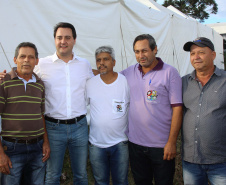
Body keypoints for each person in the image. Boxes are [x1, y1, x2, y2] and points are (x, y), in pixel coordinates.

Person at [0, 22, 93, 185]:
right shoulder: (41, 64)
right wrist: (3, 75)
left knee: (81, 174)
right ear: (54, 40)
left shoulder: (84, 65)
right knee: (52, 175)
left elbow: (95, 79)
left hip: (79, 127)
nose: (63, 41)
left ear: (74, 40)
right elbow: (22, 70)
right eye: (59, 38)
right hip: (53, 128)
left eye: (67, 38)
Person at [121, 34, 183, 185]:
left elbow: (177, 109)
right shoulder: (129, 72)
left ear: (155, 49)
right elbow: (108, 76)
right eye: (136, 52)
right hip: (135, 144)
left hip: (161, 146)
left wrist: (171, 142)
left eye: (144, 51)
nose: (140, 56)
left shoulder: (170, 73)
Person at [0, 42, 50, 185]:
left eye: (31, 57)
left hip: (37, 148)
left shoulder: (40, 84)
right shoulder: (4, 82)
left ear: (36, 61)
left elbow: (41, 115)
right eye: (22, 56)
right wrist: (0, 154)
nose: (26, 60)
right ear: (15, 60)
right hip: (12, 149)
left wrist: (45, 142)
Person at [182, 37, 226, 185]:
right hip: (191, 160)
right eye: (192, 53)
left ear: (213, 55)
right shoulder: (183, 82)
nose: (196, 57)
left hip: (221, 161)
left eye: (201, 52)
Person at [86, 46, 130, 185]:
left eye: (106, 59)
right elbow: (83, 106)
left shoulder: (125, 81)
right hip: (96, 144)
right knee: (100, 181)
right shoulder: (90, 83)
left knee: (121, 181)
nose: (101, 63)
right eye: (98, 60)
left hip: (120, 143)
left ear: (114, 62)